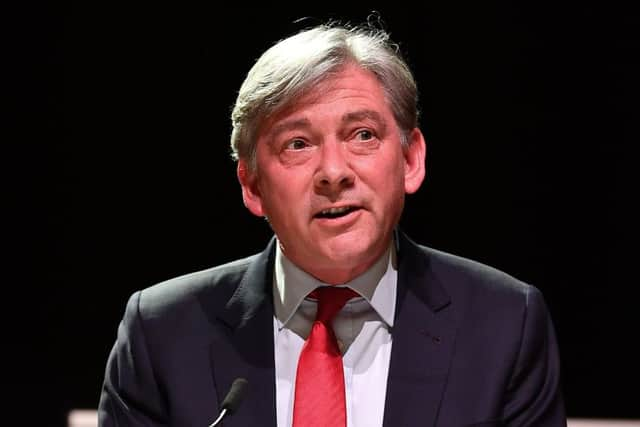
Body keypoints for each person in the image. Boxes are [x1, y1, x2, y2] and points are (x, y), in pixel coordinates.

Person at [98, 20, 566, 427]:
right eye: (297, 144)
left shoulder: (504, 323)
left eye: (362, 135)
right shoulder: (161, 334)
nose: (334, 172)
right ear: (252, 185)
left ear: (410, 160)